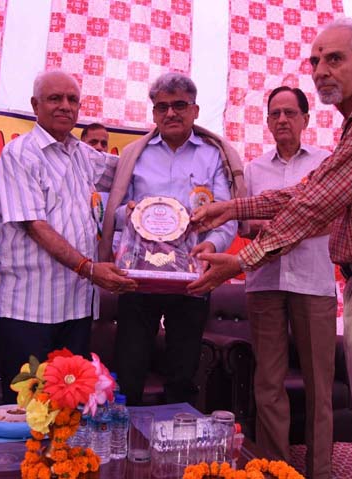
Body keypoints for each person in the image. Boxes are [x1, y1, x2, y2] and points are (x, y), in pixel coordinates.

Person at [189, 18, 352, 478]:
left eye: (335, 59)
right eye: (316, 60)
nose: (321, 70)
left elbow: (317, 202)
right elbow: (309, 191)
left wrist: (240, 260)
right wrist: (232, 209)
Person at [0, 70, 136, 403]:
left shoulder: (83, 154)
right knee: (27, 412)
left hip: (76, 308)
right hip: (27, 311)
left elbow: (131, 168)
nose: (65, 106)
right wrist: (90, 268)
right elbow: (35, 226)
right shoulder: (19, 154)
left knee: (69, 410)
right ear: (35, 105)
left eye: (72, 100)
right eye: (55, 98)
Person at [99, 72, 244, 406]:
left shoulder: (214, 155)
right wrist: (128, 213)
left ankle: (177, 436)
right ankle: (127, 434)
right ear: (153, 113)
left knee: (183, 370)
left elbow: (225, 216)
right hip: (139, 276)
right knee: (129, 366)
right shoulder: (134, 154)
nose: (171, 113)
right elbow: (114, 213)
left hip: (192, 275)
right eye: (162, 107)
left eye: (179, 105)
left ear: (195, 110)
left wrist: (212, 247)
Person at [243, 86, 336, 478]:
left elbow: (333, 217)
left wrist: (283, 227)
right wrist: (264, 227)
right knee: (268, 383)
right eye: (275, 114)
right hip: (265, 282)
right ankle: (275, 470)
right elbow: (245, 223)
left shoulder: (326, 163)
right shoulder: (253, 169)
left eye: (290, 113)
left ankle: (320, 471)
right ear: (267, 121)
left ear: (305, 119)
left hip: (313, 283)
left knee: (319, 387)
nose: (282, 120)